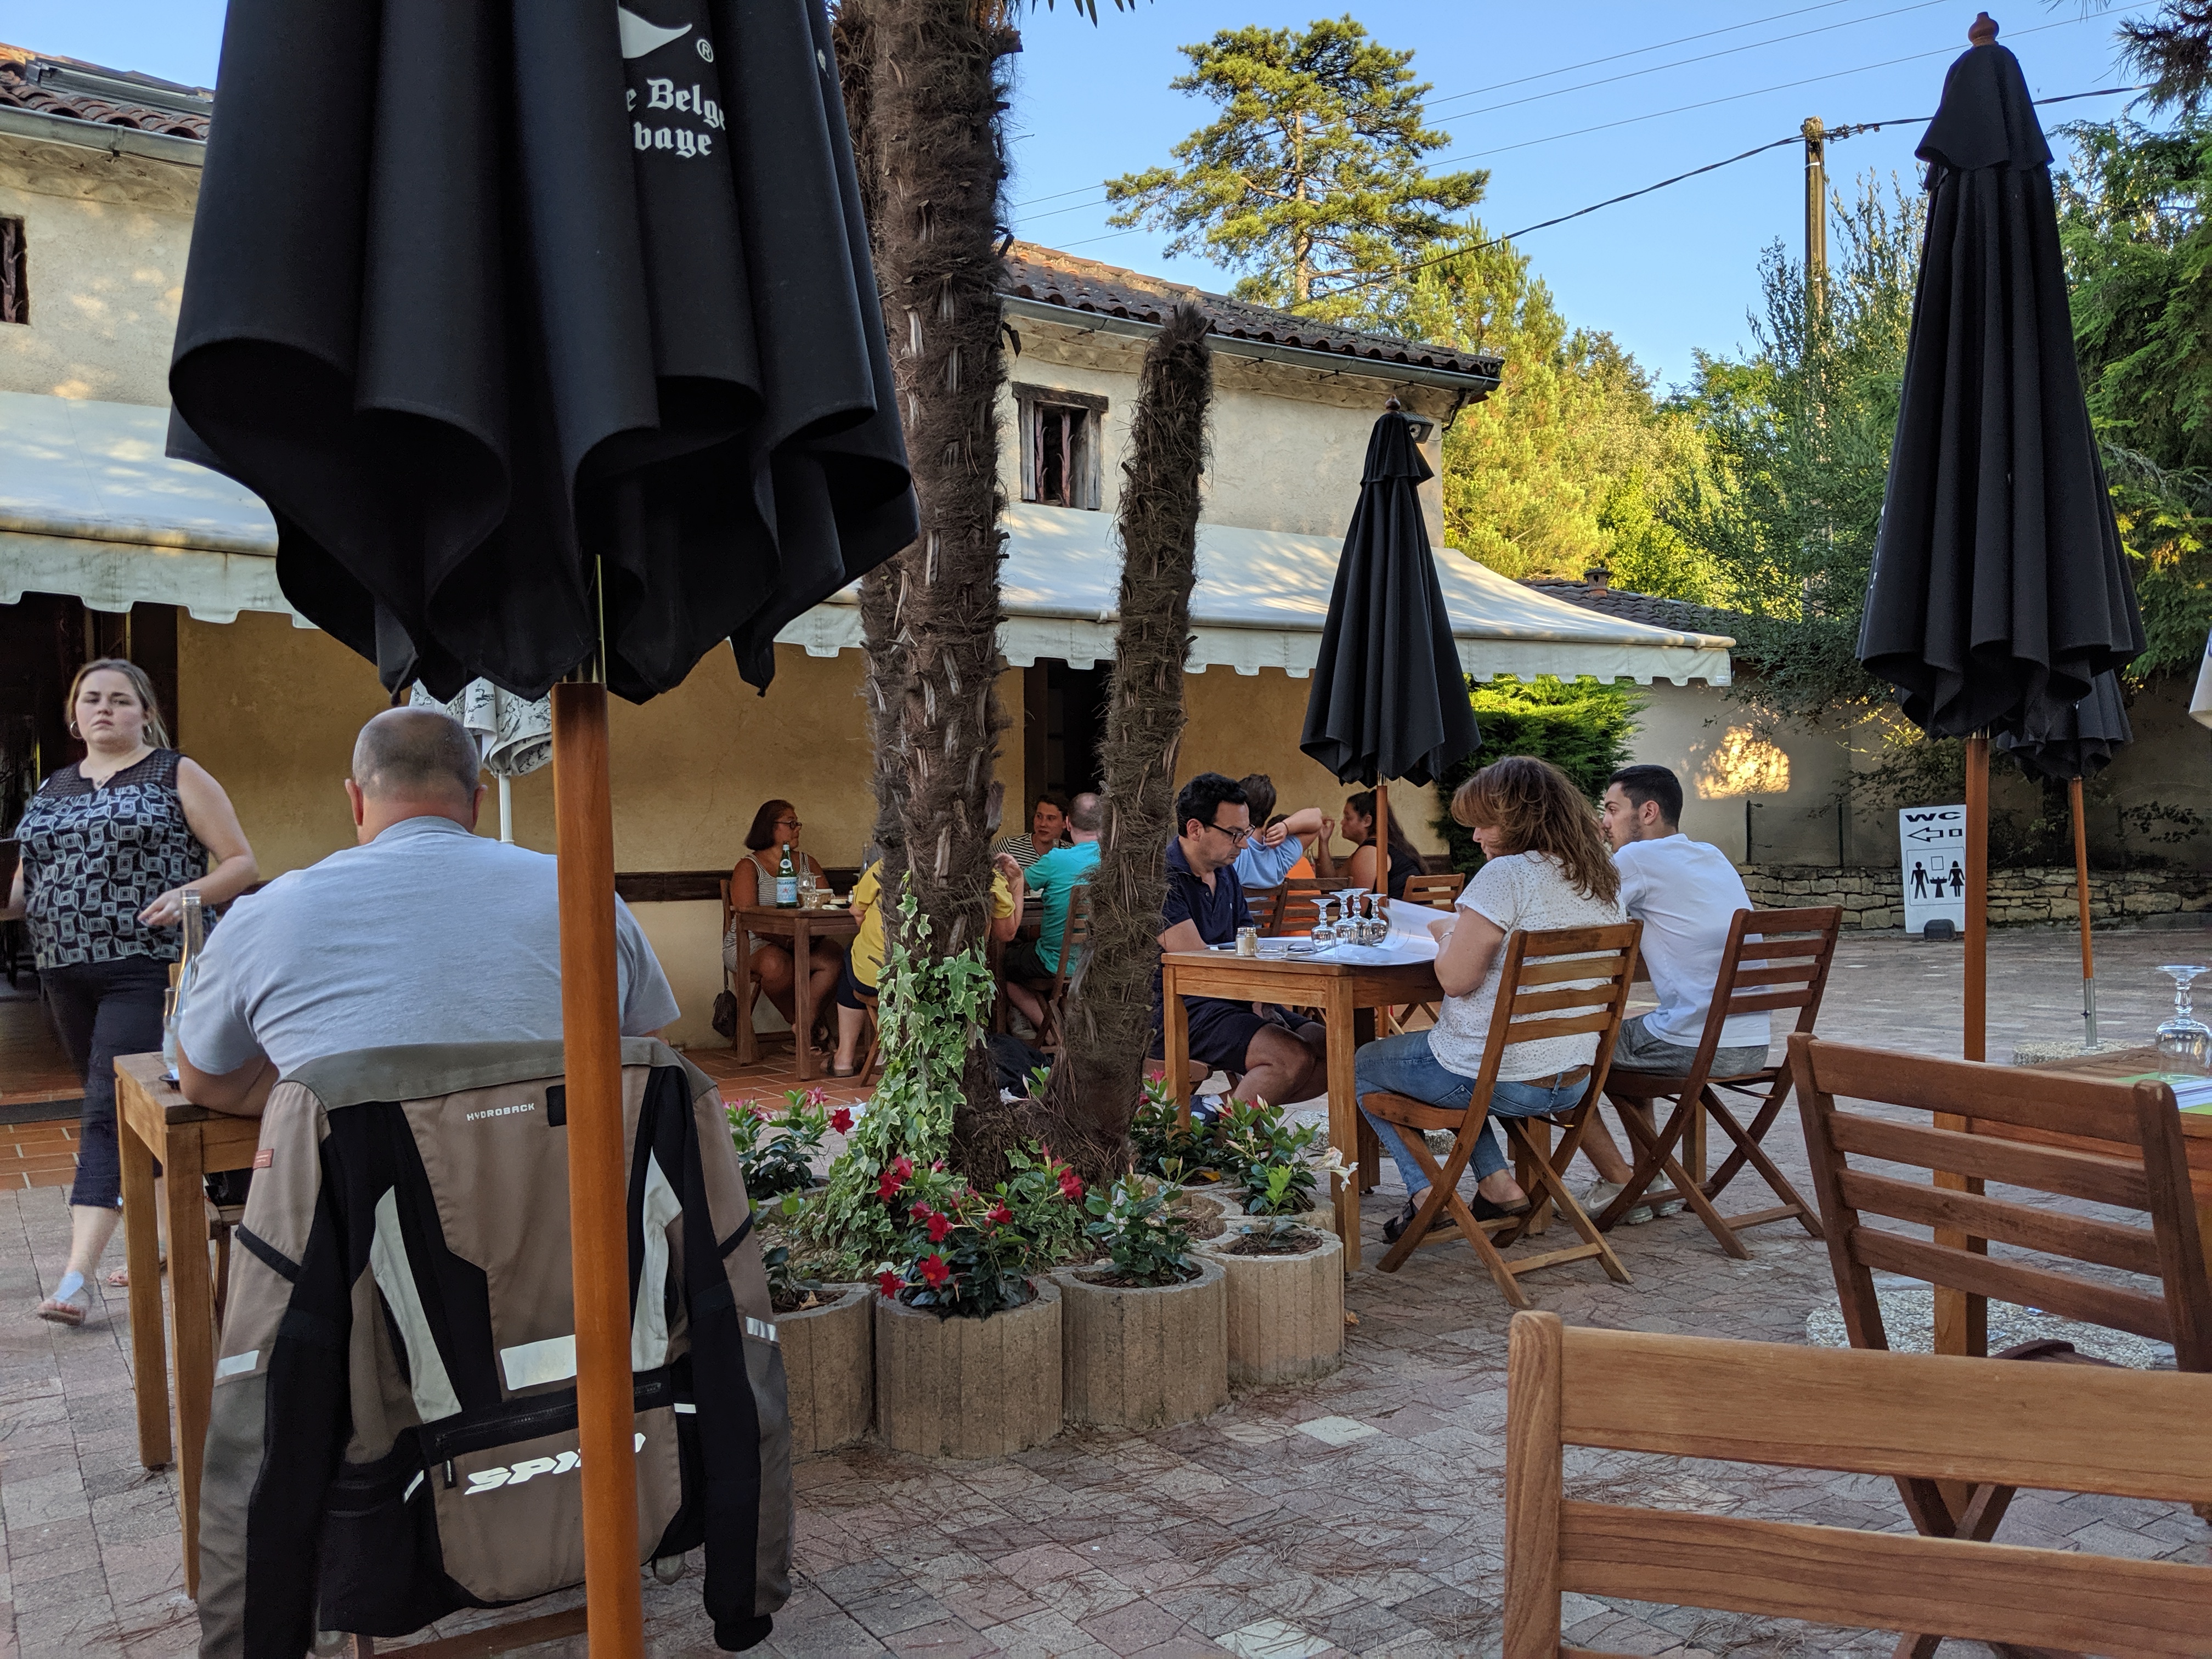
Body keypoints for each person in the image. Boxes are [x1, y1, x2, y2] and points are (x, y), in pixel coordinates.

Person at [174, 708, 676, 1111]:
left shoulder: (264, 914)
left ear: (356, 801)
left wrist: (318, 1095)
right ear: (478, 804)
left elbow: (204, 1081)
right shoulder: (581, 892)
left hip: (367, 1206)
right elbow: (645, 1053)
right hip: (565, 1200)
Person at [1, 659, 258, 1327]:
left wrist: (187, 893)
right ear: (74, 714)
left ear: (145, 712)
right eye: (91, 699)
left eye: (120, 699)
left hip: (145, 966)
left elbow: (240, 863)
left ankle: (75, 1278)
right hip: (62, 969)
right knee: (130, 1110)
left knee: (104, 1109)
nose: (104, 709)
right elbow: (24, 887)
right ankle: (172, 1232)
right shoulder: (53, 787)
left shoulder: (176, 773)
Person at [1353, 757, 1627, 1244]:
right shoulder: (1600, 877)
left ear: (1521, 820)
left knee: (1365, 1063)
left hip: (1501, 1078)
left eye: (1486, 824)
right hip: (1572, 1079)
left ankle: (1426, 1194)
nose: (1477, 836)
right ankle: (1496, 1184)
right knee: (1454, 1069)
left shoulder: (1507, 875)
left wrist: (1446, 933)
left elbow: (1456, 980)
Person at [1583, 763, 1771, 1218]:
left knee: (1561, 1053)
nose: (1604, 822)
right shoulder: (1710, 855)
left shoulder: (1636, 859)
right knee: (1629, 1043)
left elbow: (1579, 920)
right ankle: (1650, 1179)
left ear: (1647, 812)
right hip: (1751, 1044)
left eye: (1612, 809)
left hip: (1696, 1044)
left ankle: (1620, 1183)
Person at [1155, 772, 1327, 1105]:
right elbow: (1195, 964)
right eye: (1235, 834)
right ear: (1195, 829)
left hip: (1232, 999)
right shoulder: (1160, 878)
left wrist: (1262, 995)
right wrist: (1256, 992)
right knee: (1289, 1057)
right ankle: (1219, 1123)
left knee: (1333, 1050)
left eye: (1246, 833)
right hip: (1179, 1008)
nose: (1245, 844)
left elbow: (1247, 941)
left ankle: (1208, 1112)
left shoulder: (1225, 872)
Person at [832, 828, 1025, 1076]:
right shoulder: (986, 876)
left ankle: (845, 1058)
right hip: (948, 986)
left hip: (881, 976)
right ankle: (885, 1052)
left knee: (855, 954)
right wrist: (1016, 882)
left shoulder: (890, 865)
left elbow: (857, 912)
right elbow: (1007, 933)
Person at [725, 799, 845, 1052]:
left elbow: (824, 901)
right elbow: (748, 918)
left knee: (835, 957)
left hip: (799, 939)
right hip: (752, 942)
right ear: (771, 828)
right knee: (776, 964)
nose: (797, 828)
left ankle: (803, 1026)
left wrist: (807, 937)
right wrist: (784, 940)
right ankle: (806, 1027)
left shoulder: (808, 863)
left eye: (797, 823)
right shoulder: (748, 866)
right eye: (791, 823)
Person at [1002, 790, 1103, 1030]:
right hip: (1099, 962)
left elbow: (1018, 884)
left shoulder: (1056, 859)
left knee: (1001, 964)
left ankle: (1050, 1033)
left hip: (1055, 963)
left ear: (1067, 823)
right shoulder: (1116, 862)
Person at [1316, 788, 1423, 898]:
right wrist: (1324, 842)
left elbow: (1358, 905)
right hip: (1418, 909)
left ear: (1367, 821)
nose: (1342, 822)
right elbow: (1332, 883)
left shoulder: (1370, 853)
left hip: (1396, 909)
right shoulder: (1387, 846)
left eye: (1348, 818)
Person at [1229, 774, 1329, 890]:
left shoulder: (1233, 846)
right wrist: (1286, 826)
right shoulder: (1279, 854)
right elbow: (1317, 818)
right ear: (1269, 811)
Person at [992, 794, 1067, 871]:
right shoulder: (1008, 847)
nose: (1043, 824)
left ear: (1065, 823)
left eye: (1050, 819)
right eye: (1039, 816)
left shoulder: (1071, 853)